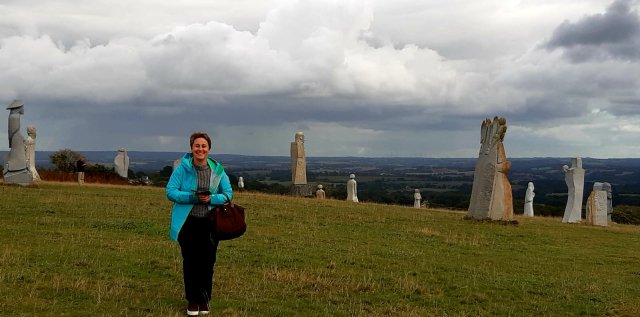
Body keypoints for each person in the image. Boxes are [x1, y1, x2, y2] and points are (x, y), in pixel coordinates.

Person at [166, 132, 233, 316]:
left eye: (204, 146)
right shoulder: (182, 168)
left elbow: (228, 194)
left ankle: (204, 299)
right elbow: (170, 192)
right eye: (197, 146)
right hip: (188, 223)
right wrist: (192, 197)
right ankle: (193, 301)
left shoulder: (218, 170)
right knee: (191, 262)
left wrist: (211, 199)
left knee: (208, 262)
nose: (200, 149)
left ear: (209, 149)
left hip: (211, 223)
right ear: (191, 148)